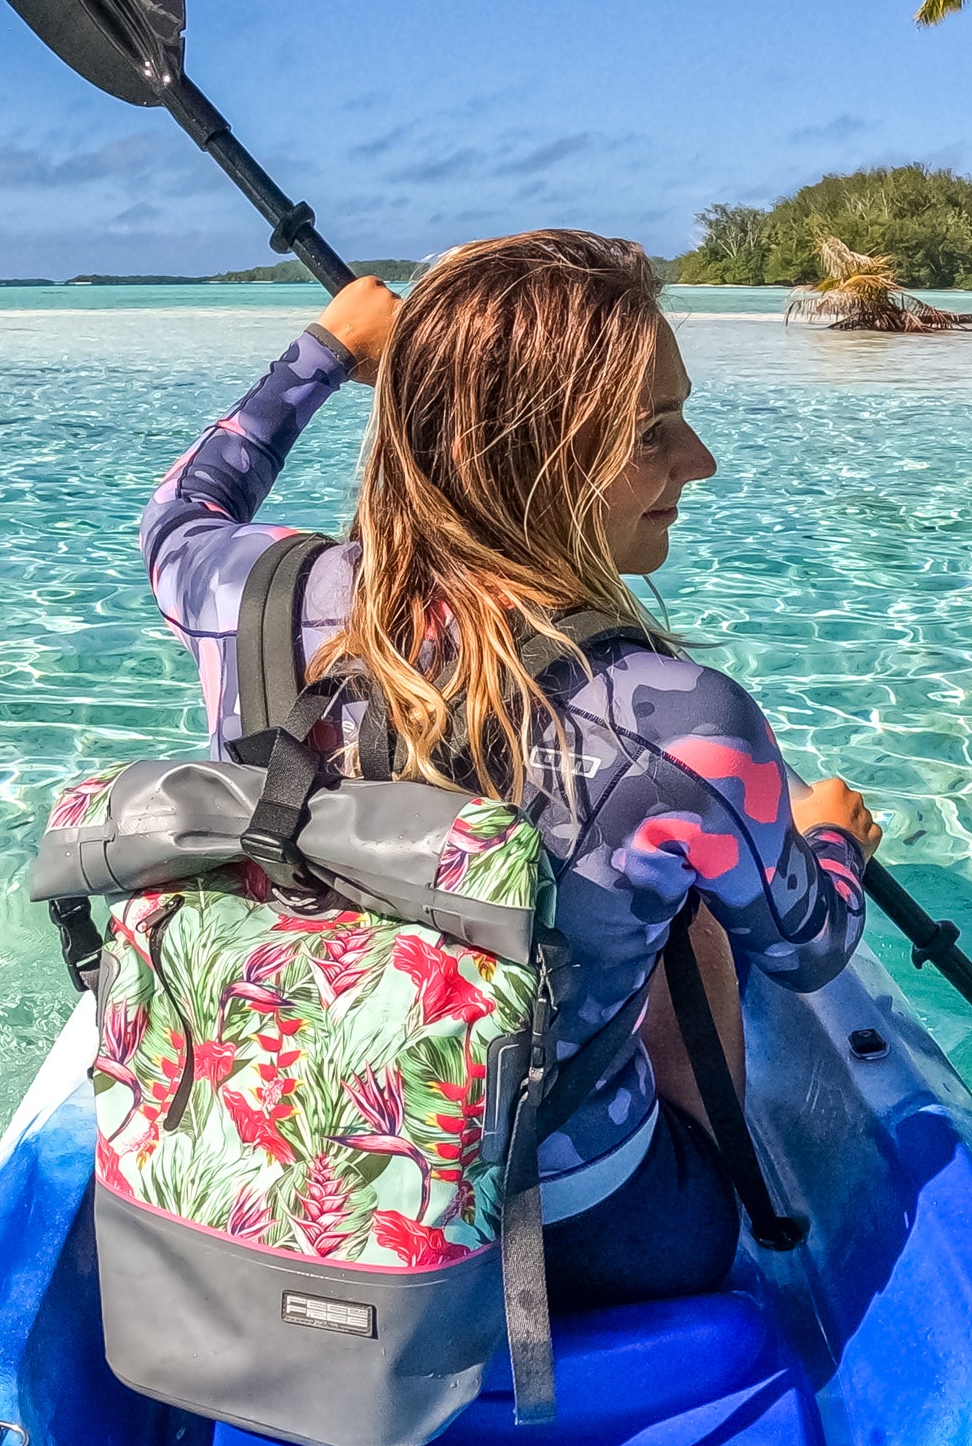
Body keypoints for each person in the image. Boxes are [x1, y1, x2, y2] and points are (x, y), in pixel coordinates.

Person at [140, 228, 877, 1307]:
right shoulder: (687, 724)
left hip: (269, 1172)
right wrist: (830, 842)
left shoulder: (248, 595)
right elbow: (811, 949)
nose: (700, 462)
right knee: (700, 908)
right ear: (528, 456)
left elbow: (180, 513)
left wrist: (325, 351)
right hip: (576, 1233)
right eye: (652, 431)